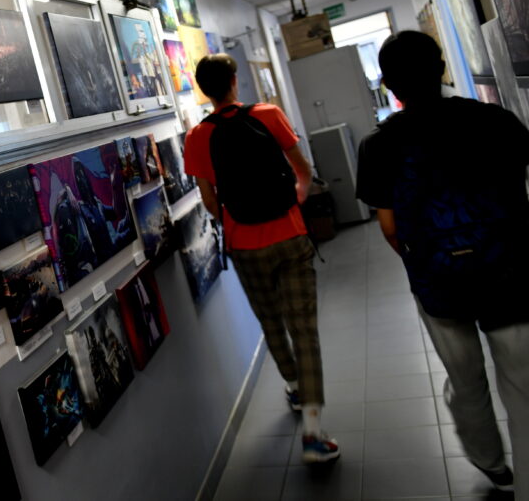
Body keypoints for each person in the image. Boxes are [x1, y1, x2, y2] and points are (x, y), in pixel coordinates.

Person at [357, 30, 529, 497]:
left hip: (438, 283)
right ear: (441, 68)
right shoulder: (497, 121)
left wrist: (426, 262)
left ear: (391, 86)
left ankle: (491, 463)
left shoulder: (378, 146)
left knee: (465, 378)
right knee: (522, 382)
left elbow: (390, 228)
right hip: (509, 273)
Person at [184, 53, 339, 463]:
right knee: (304, 330)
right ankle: (313, 431)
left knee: (271, 322)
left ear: (203, 89)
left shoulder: (198, 136)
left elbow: (209, 201)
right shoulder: (268, 114)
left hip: (245, 247)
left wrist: (236, 219)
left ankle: (291, 384)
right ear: (235, 80)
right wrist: (296, 197)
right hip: (289, 235)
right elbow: (302, 171)